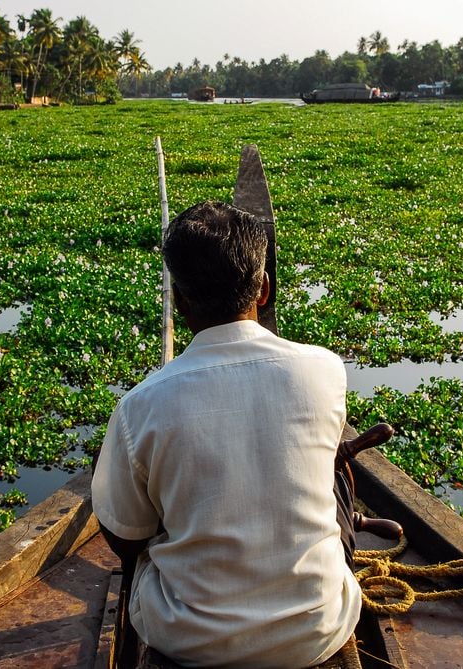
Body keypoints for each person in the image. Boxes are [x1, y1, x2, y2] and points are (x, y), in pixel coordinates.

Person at [92, 201, 361, 668]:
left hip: (190, 638)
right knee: (335, 473)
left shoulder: (140, 406)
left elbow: (125, 539)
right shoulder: (325, 370)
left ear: (179, 301)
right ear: (264, 290)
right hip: (318, 628)